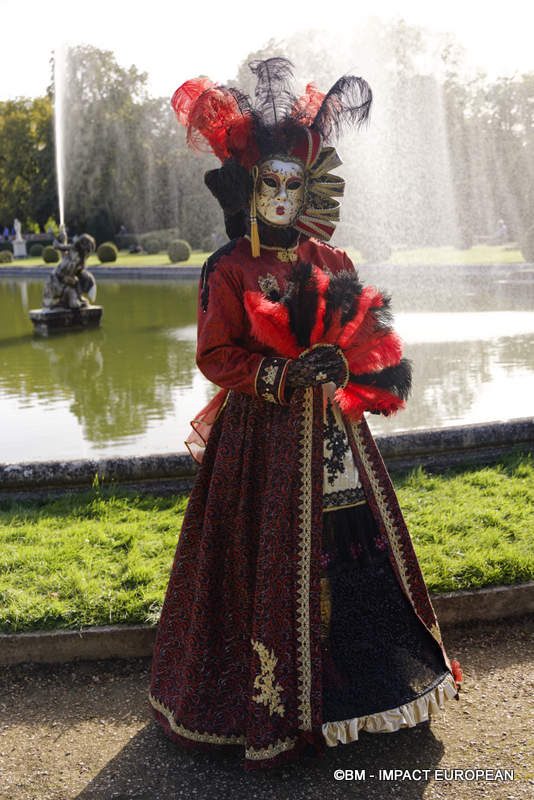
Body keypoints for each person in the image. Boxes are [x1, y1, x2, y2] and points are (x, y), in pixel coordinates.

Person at [149, 58, 462, 770]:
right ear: (250, 189)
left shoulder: (332, 256)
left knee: (353, 552)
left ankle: (361, 690)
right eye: (272, 184)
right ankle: (278, 707)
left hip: (336, 438)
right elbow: (215, 355)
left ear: (312, 184)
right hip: (260, 440)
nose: (284, 197)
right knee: (268, 557)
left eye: (296, 184)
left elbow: (368, 338)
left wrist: (349, 362)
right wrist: (281, 372)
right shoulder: (229, 268)